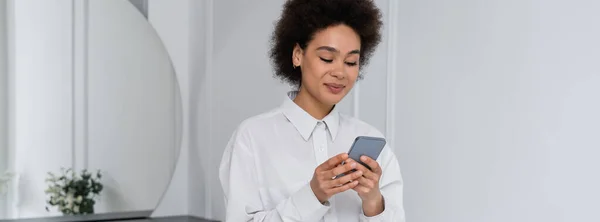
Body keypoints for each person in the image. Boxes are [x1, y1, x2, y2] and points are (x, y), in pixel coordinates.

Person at [219, 0, 405, 221]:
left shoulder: (373, 140)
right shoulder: (252, 138)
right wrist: (313, 195)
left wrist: (373, 201)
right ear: (298, 55)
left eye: (351, 62)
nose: (340, 72)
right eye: (327, 58)